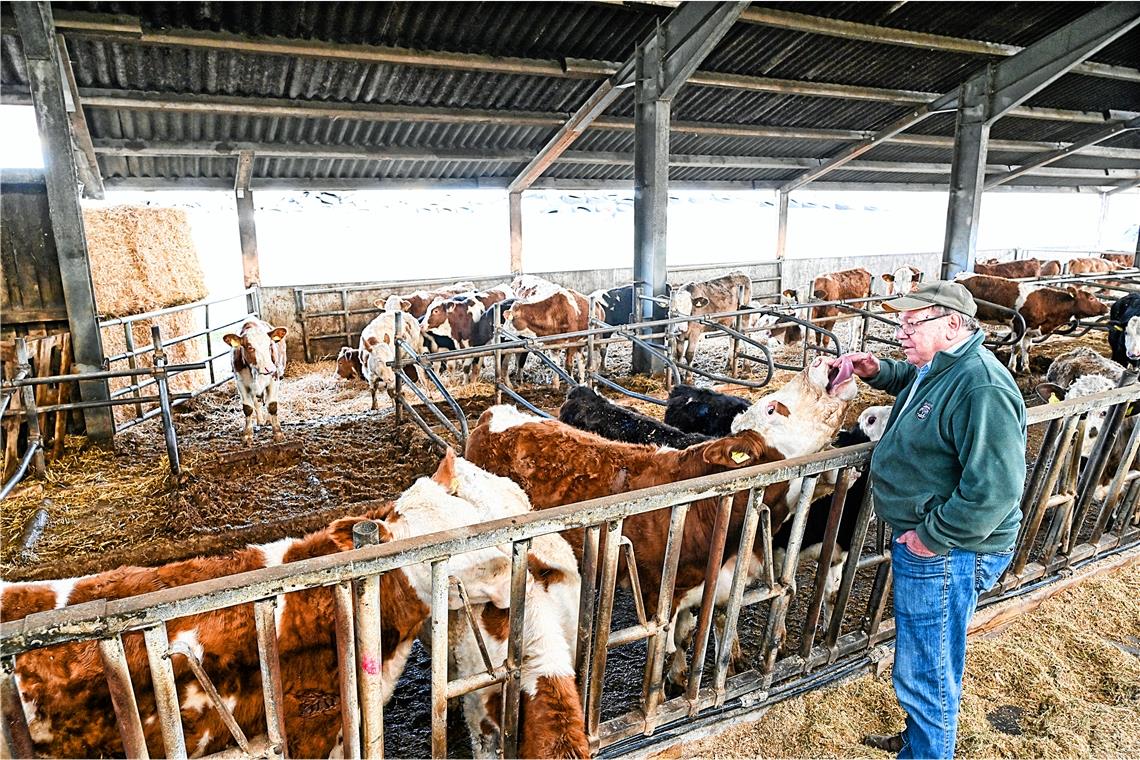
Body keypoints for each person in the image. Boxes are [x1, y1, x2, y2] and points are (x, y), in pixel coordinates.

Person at [829, 280, 1027, 759]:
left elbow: (996, 490)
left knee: (926, 666)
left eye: (912, 324)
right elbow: (921, 384)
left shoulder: (982, 386)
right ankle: (923, 738)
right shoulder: (944, 364)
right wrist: (880, 371)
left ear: (953, 323)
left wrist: (931, 538)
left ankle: (928, 753)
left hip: (949, 549)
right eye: (901, 323)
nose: (902, 332)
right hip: (937, 544)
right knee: (928, 654)